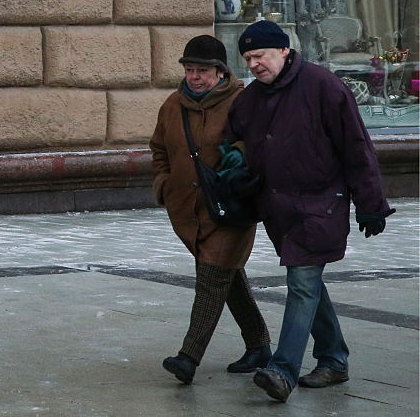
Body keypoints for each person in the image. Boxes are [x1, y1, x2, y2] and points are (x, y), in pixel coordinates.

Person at [227, 20, 394, 403]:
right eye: (248, 58)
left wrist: (371, 204)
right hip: (276, 209)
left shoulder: (324, 87)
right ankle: (334, 359)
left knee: (301, 284)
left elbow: (357, 149)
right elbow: (231, 141)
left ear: (284, 51)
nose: (253, 64)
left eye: (260, 56)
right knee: (310, 285)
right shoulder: (250, 99)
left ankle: (282, 370)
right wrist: (237, 172)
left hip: (321, 205)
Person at [150, 35, 271, 385]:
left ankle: (188, 358)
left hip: (232, 208)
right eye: (190, 70)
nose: (194, 77)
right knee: (227, 278)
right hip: (188, 212)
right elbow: (159, 149)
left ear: (219, 72)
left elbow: (260, 142)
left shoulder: (244, 101)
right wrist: (164, 185)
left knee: (212, 279)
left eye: (201, 71)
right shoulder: (173, 105)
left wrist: (240, 153)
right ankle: (259, 345)